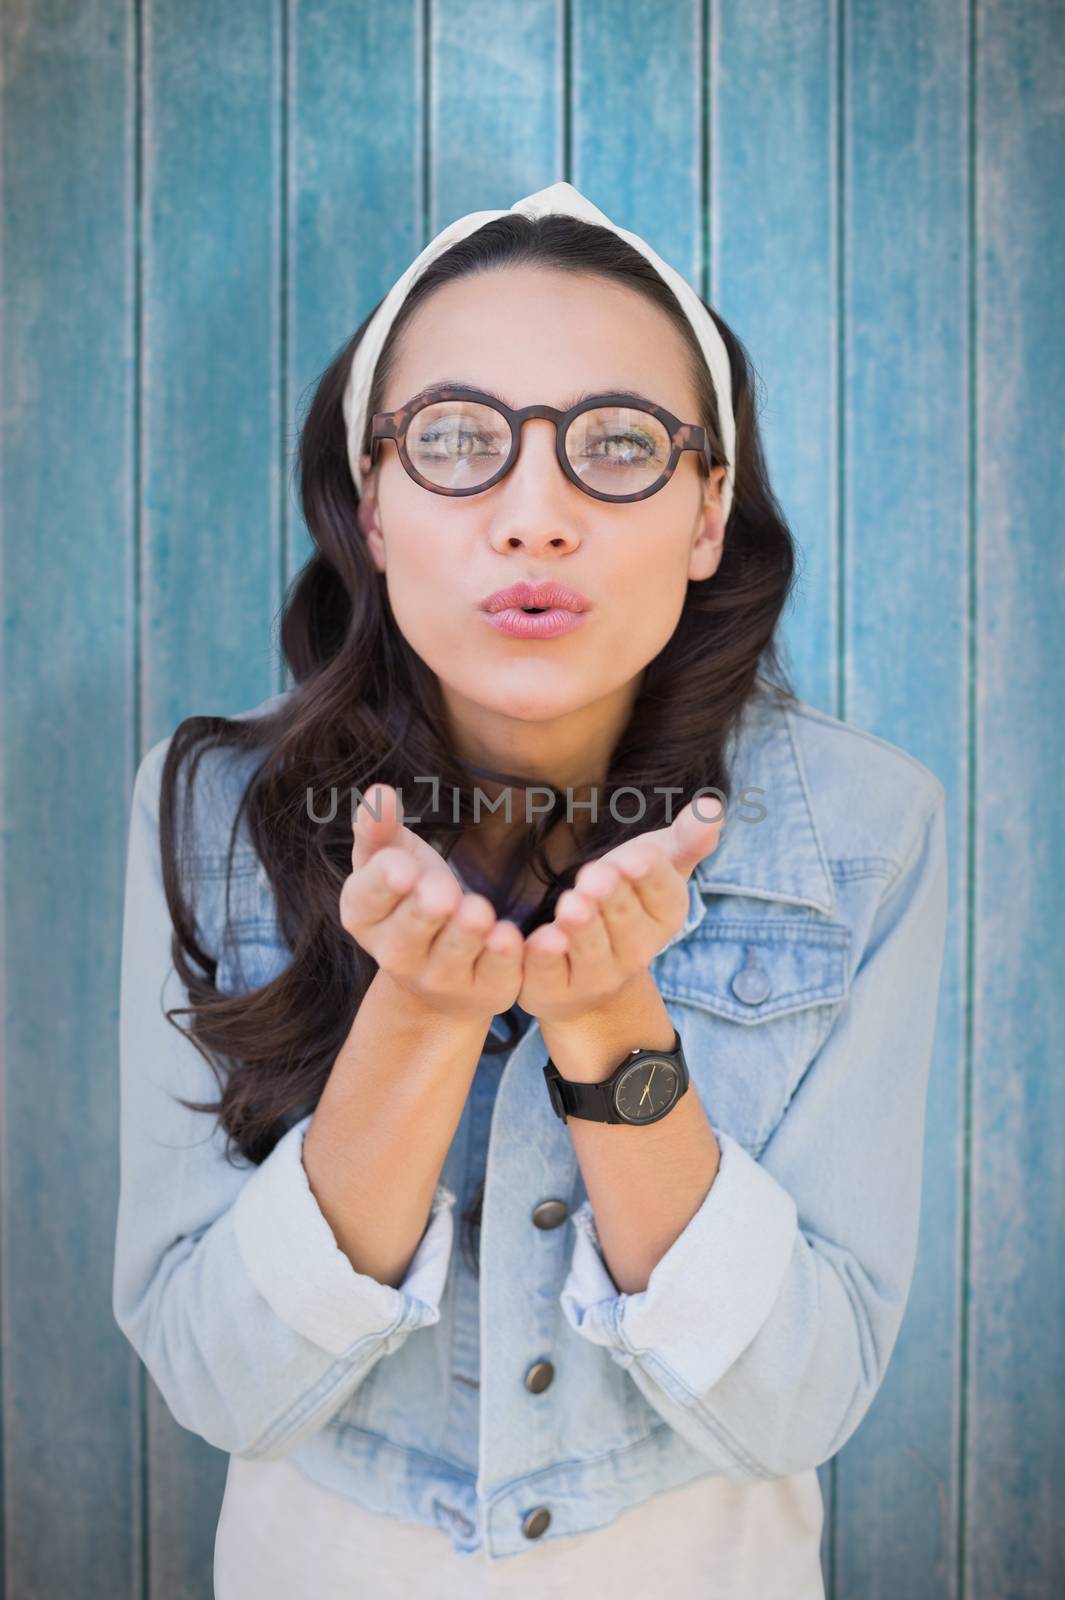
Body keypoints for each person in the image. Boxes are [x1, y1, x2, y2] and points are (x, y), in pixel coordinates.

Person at [112, 183, 949, 1598]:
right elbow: (221, 1384)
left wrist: (611, 1028)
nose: (533, 516)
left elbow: (795, 1408)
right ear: (370, 505)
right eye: (455, 442)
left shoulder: (865, 829)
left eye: (617, 446)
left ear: (705, 511)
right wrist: (422, 1019)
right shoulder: (208, 812)